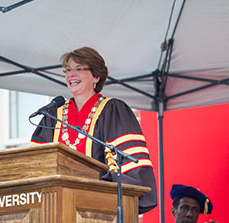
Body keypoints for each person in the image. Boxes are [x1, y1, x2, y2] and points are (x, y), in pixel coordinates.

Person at [30, 47, 157, 214]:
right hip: (56, 210)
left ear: (96, 76)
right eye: (68, 70)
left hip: (98, 210)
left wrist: (95, 181)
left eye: (79, 69)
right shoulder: (53, 115)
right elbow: (35, 167)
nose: (71, 74)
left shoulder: (113, 111)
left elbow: (132, 175)